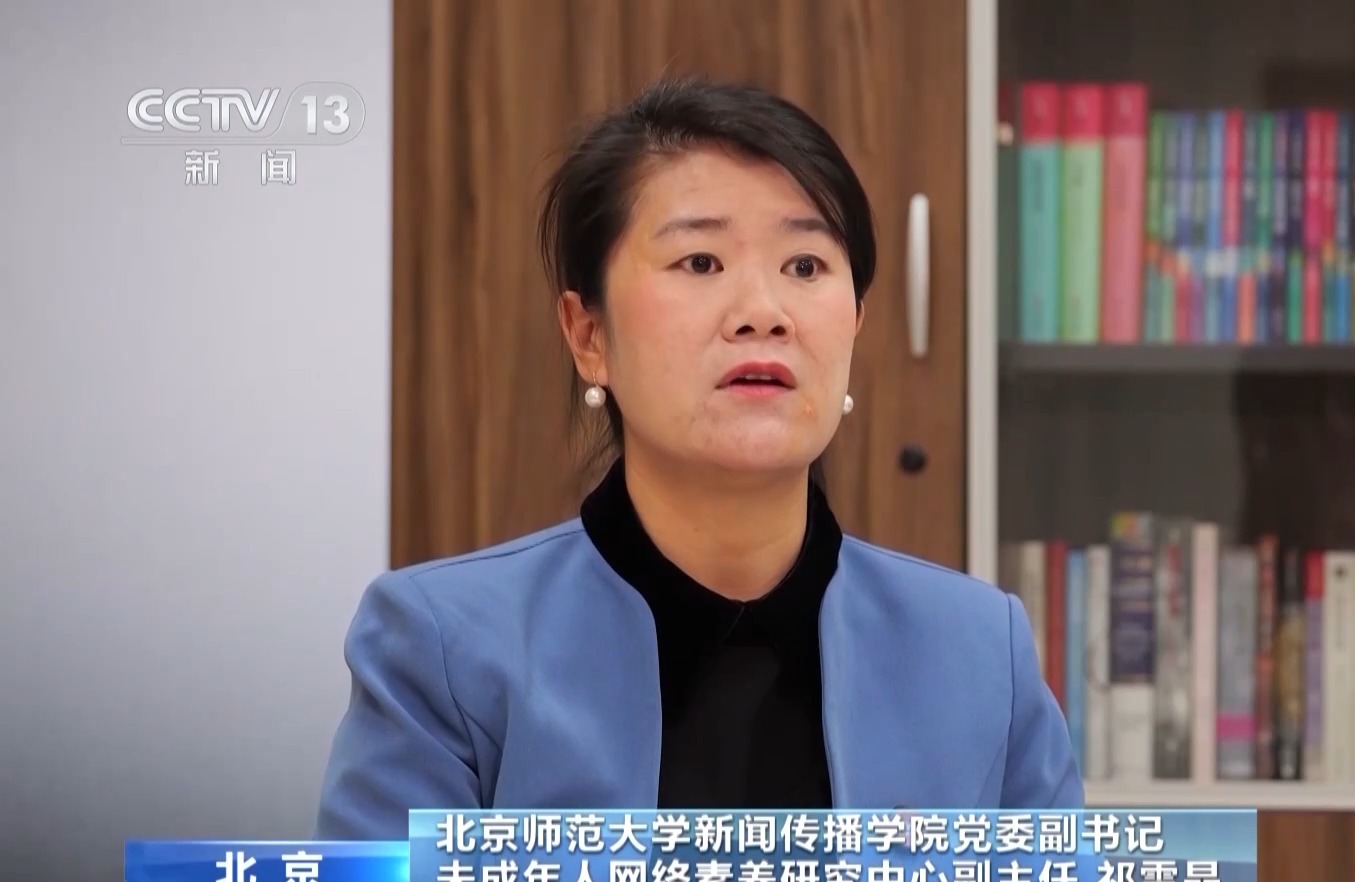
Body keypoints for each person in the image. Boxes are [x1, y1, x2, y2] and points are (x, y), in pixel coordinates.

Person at [313, 77, 1080, 840]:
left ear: (855, 321)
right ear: (588, 335)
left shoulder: (982, 653)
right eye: (701, 261)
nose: (762, 314)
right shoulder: (442, 650)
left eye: (805, 266)